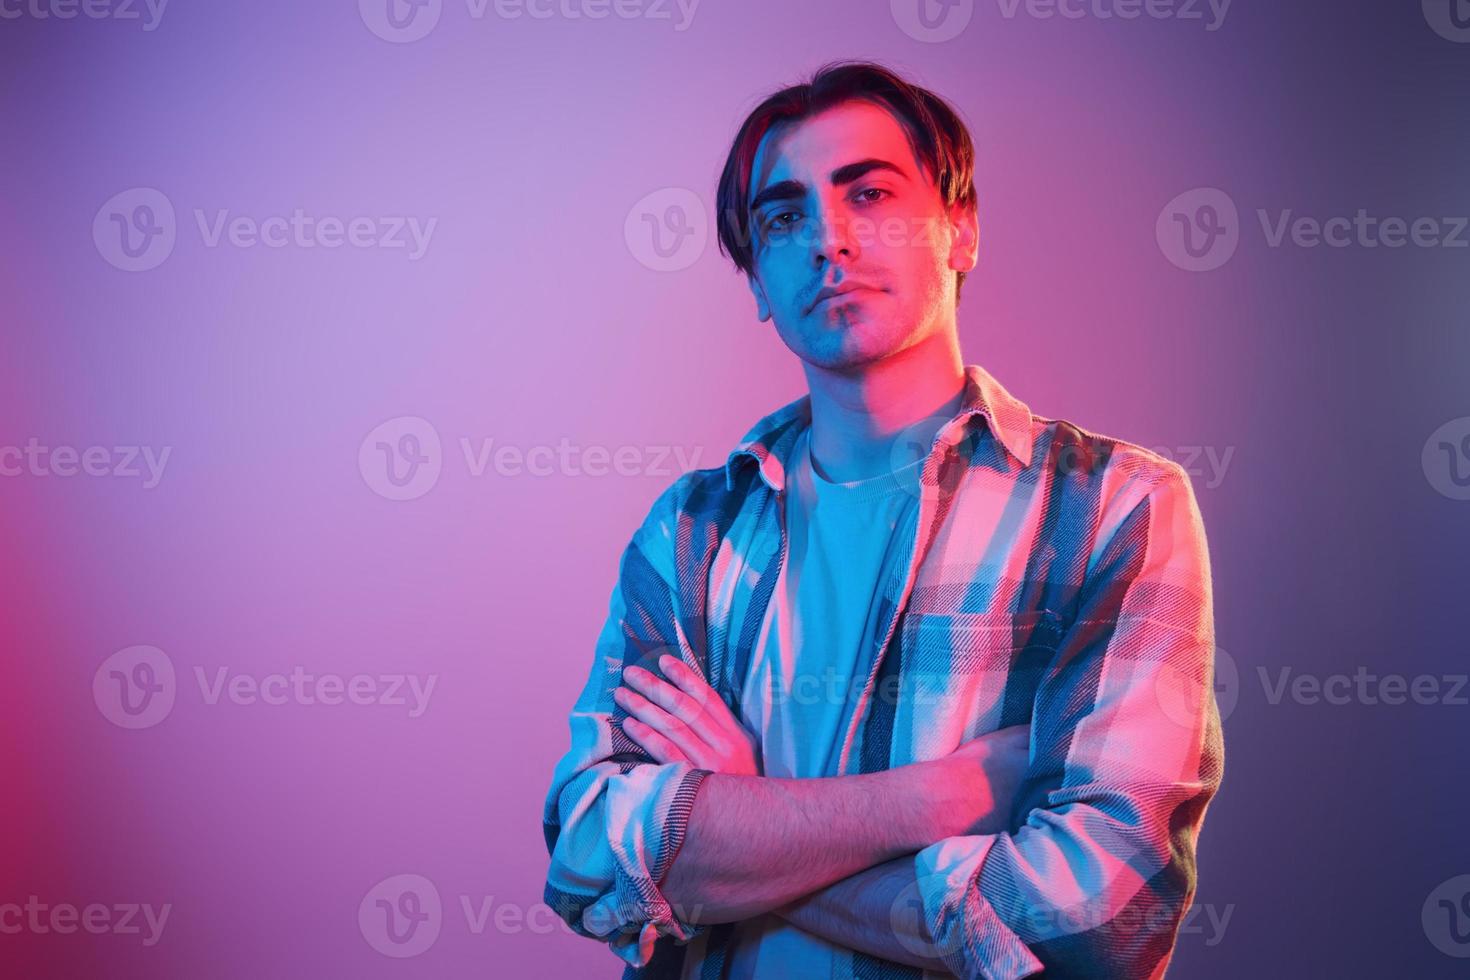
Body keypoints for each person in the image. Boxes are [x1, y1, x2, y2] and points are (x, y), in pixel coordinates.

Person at [542, 60, 1223, 979]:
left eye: (870, 195)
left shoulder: (1112, 509)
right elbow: (589, 850)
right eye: (783, 218)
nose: (828, 239)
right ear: (757, 281)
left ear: (961, 230)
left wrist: (745, 819)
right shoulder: (691, 533)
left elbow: (1097, 921)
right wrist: (930, 800)